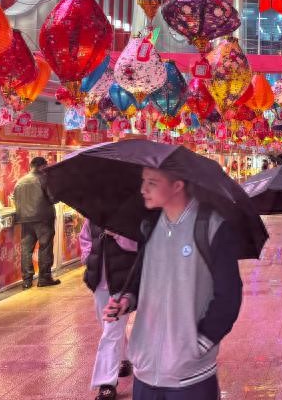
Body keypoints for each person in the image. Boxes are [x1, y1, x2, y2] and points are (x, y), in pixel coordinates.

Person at [103, 167, 243, 400]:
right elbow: (143, 277)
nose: (143, 189)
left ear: (177, 185)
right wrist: (126, 300)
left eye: (152, 182)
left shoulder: (211, 227)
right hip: (145, 370)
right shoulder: (149, 225)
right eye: (143, 181)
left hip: (190, 376)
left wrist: (199, 344)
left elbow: (229, 295)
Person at [79, 219, 138, 400]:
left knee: (111, 332)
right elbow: (85, 239)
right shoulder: (92, 218)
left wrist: (118, 235)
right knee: (108, 328)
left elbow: (139, 246)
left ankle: (106, 383)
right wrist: (88, 257)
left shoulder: (127, 216)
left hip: (122, 283)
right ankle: (125, 358)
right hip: (99, 283)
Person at [11, 156, 59, 288]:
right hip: (43, 219)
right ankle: (44, 278)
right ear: (42, 166)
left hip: (25, 219)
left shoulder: (20, 181)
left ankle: (27, 281)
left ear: (31, 166)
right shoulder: (43, 179)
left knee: (26, 249)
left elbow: (14, 199)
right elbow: (53, 198)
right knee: (45, 247)